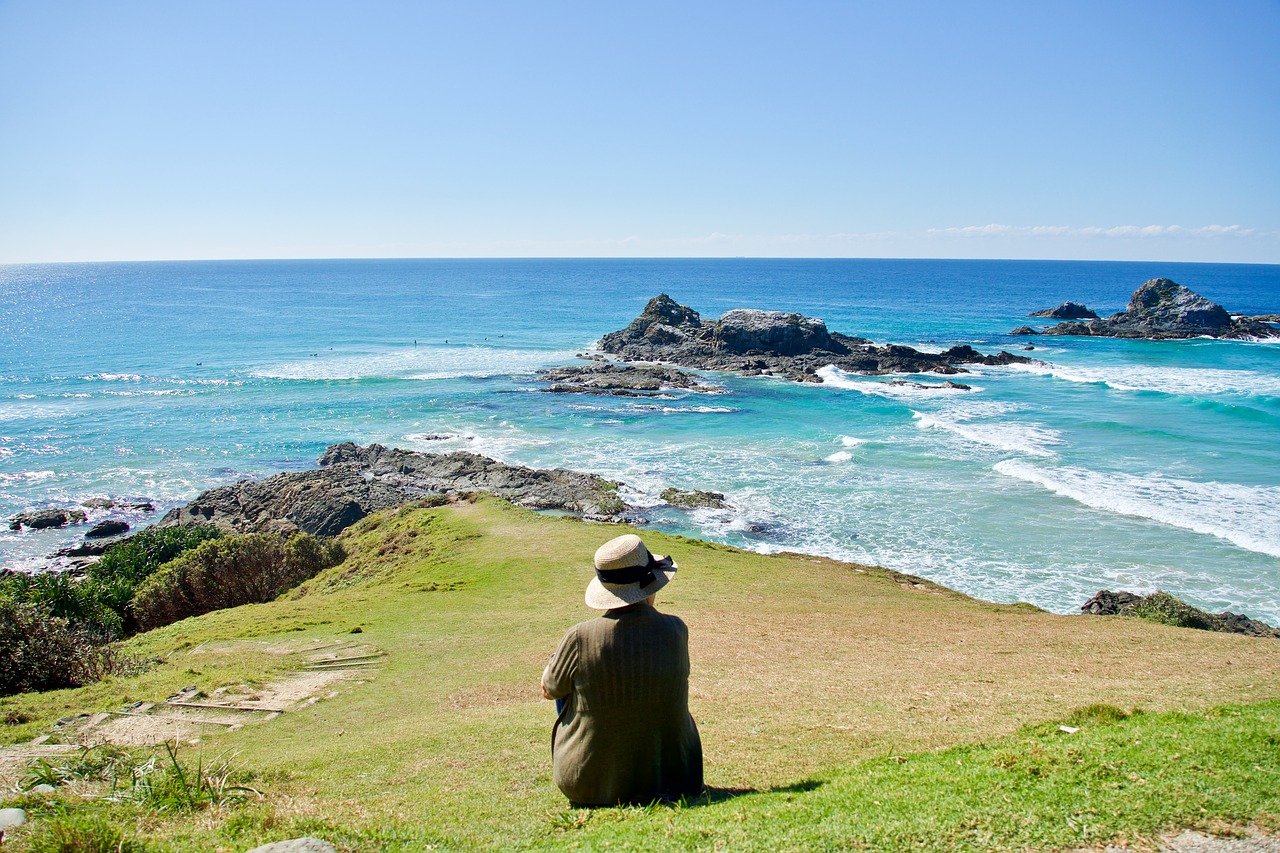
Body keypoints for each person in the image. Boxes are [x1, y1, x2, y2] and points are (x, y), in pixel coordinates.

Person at [540, 533, 703, 806]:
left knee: (565, 686)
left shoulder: (580, 636)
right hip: (677, 779)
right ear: (652, 586)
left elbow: (549, 689)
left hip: (589, 784)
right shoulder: (676, 629)